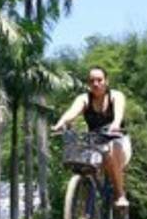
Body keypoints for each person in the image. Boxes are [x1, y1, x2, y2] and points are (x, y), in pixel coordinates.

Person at [51, 65, 131, 207]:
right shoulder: (84, 99)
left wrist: (115, 124)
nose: (96, 84)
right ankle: (87, 195)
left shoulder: (116, 96)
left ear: (106, 81)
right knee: (82, 158)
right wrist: (60, 123)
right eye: (92, 81)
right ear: (88, 83)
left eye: (99, 80)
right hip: (96, 142)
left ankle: (120, 194)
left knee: (113, 148)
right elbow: (72, 112)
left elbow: (119, 114)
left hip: (118, 140)